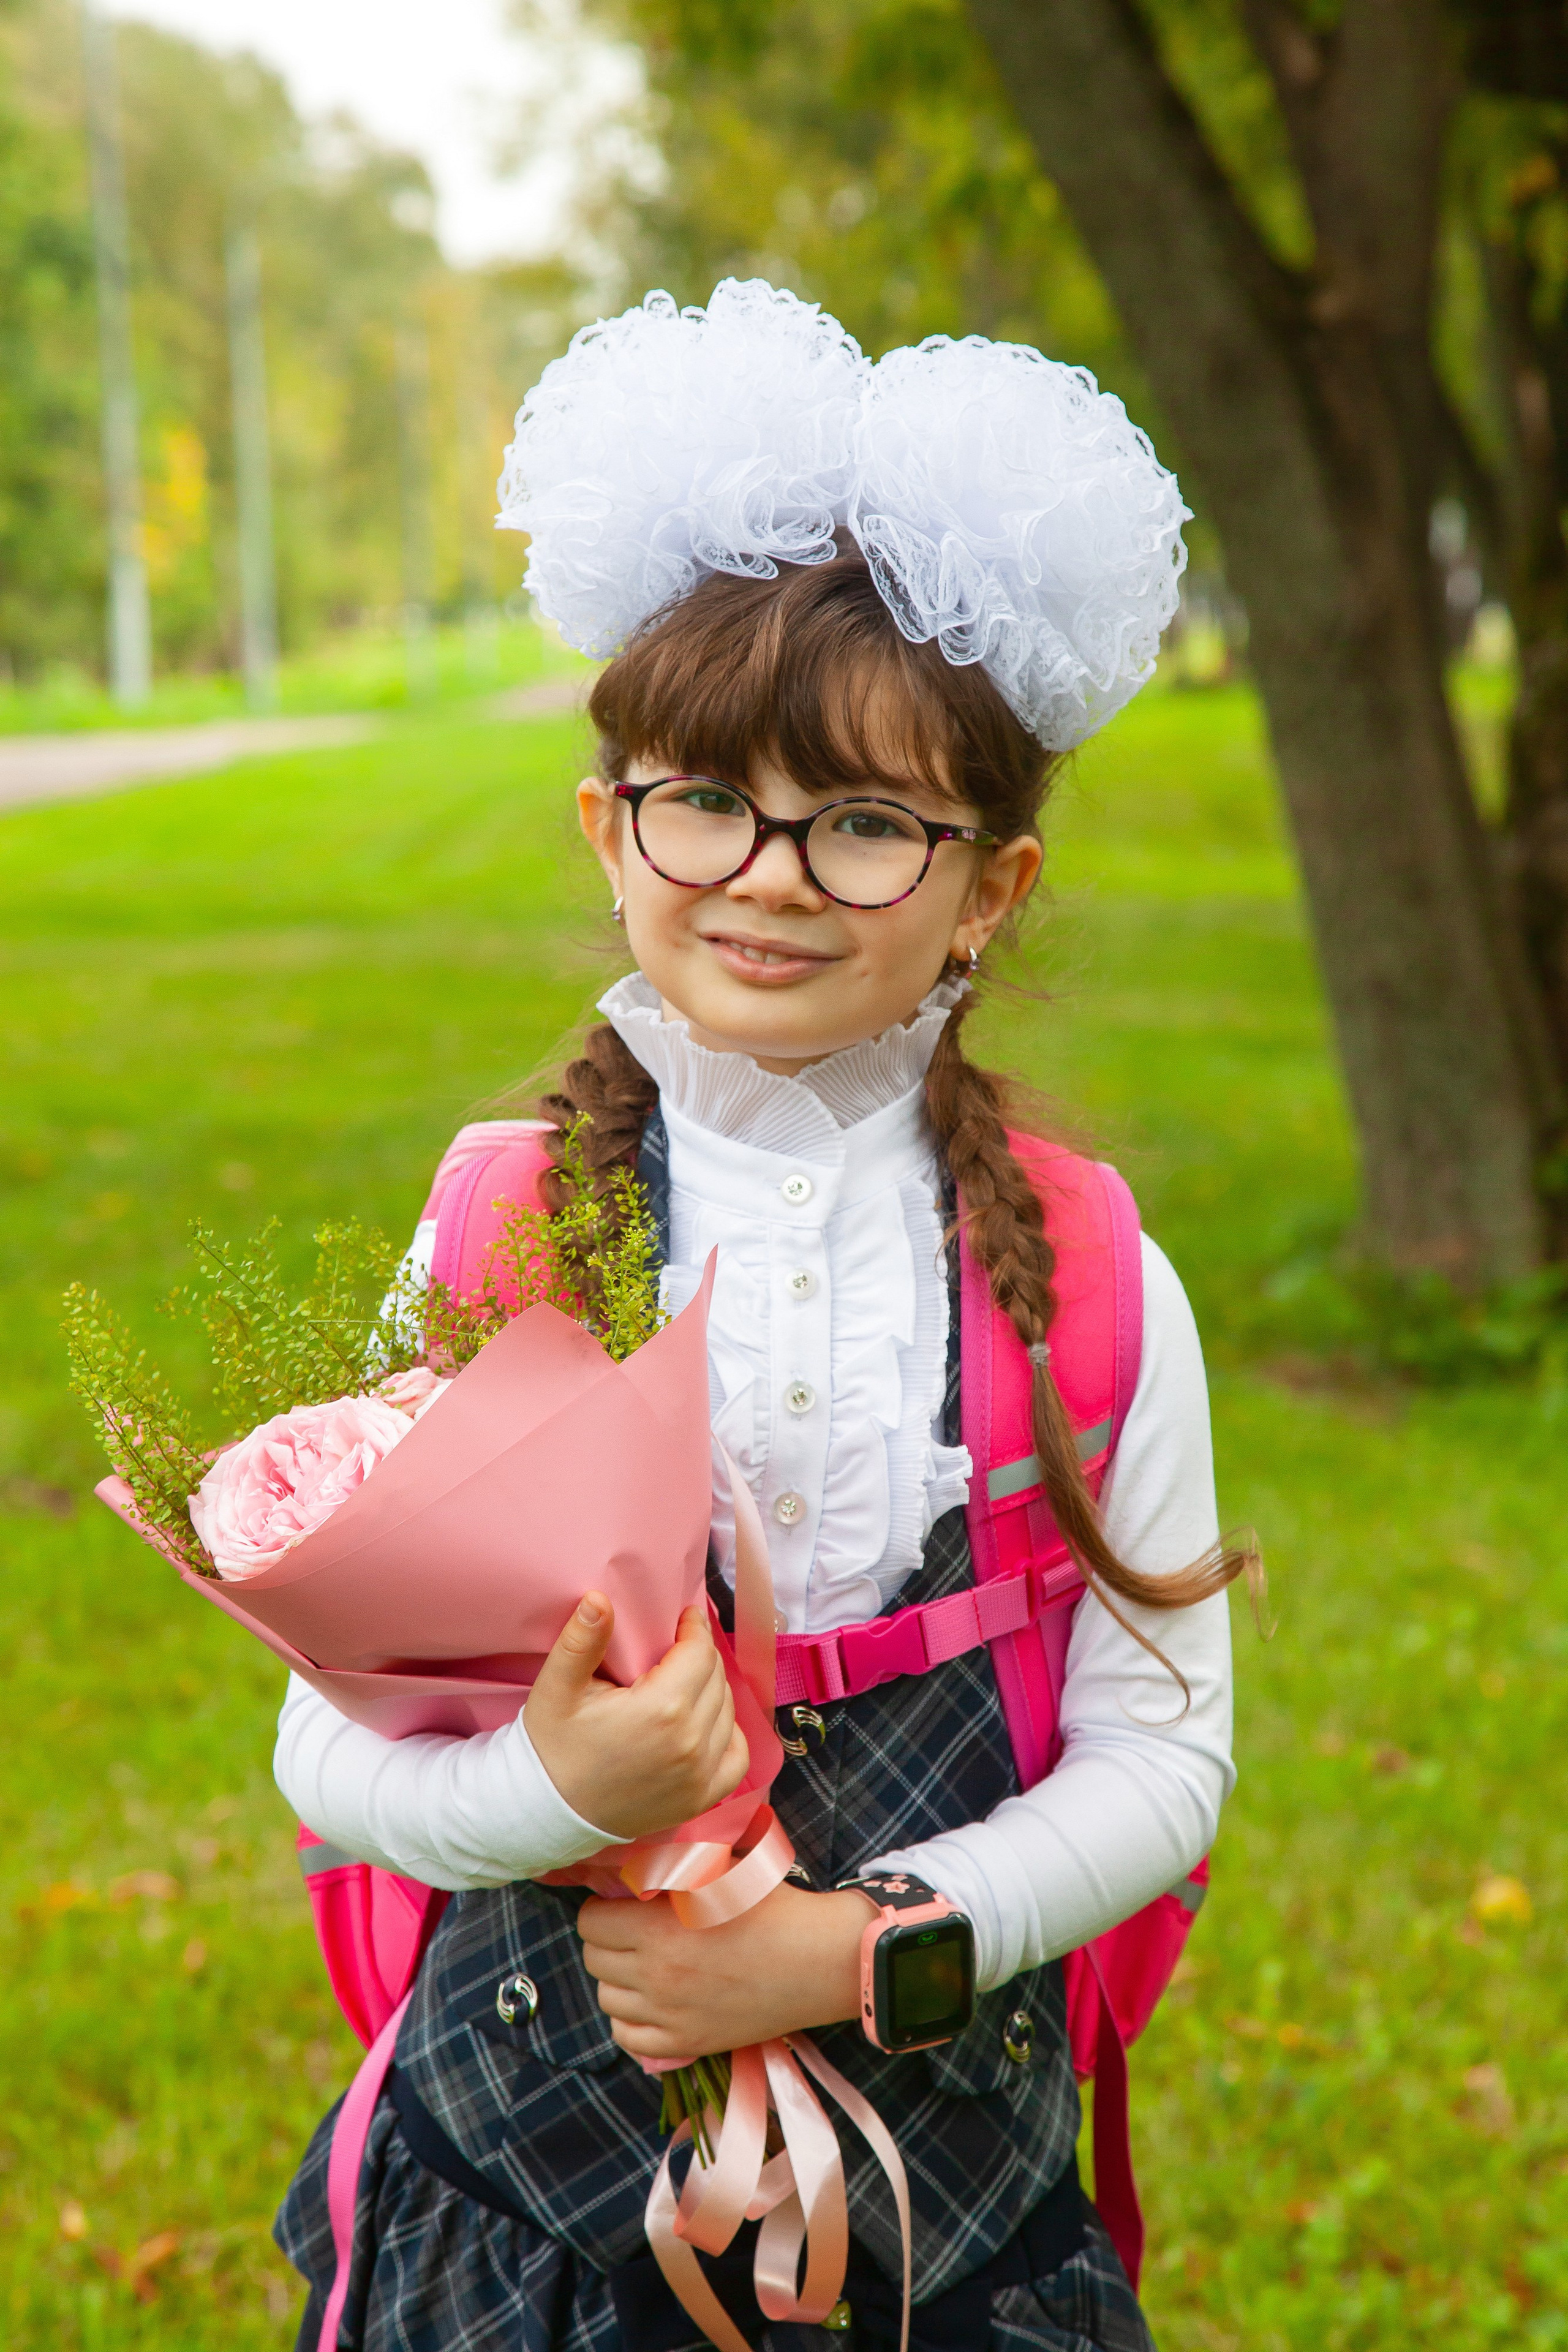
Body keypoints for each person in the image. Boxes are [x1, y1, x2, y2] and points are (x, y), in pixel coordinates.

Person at [273, 279, 1249, 2352]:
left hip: (942, 2222)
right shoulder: (494, 1238)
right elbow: (330, 1745)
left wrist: (849, 1950)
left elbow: (1163, 1757)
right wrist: (557, 1796)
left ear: (990, 887)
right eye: (705, 799)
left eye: (868, 824)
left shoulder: (1086, 1278)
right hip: (525, 2198)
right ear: (608, 824)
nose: (774, 874)